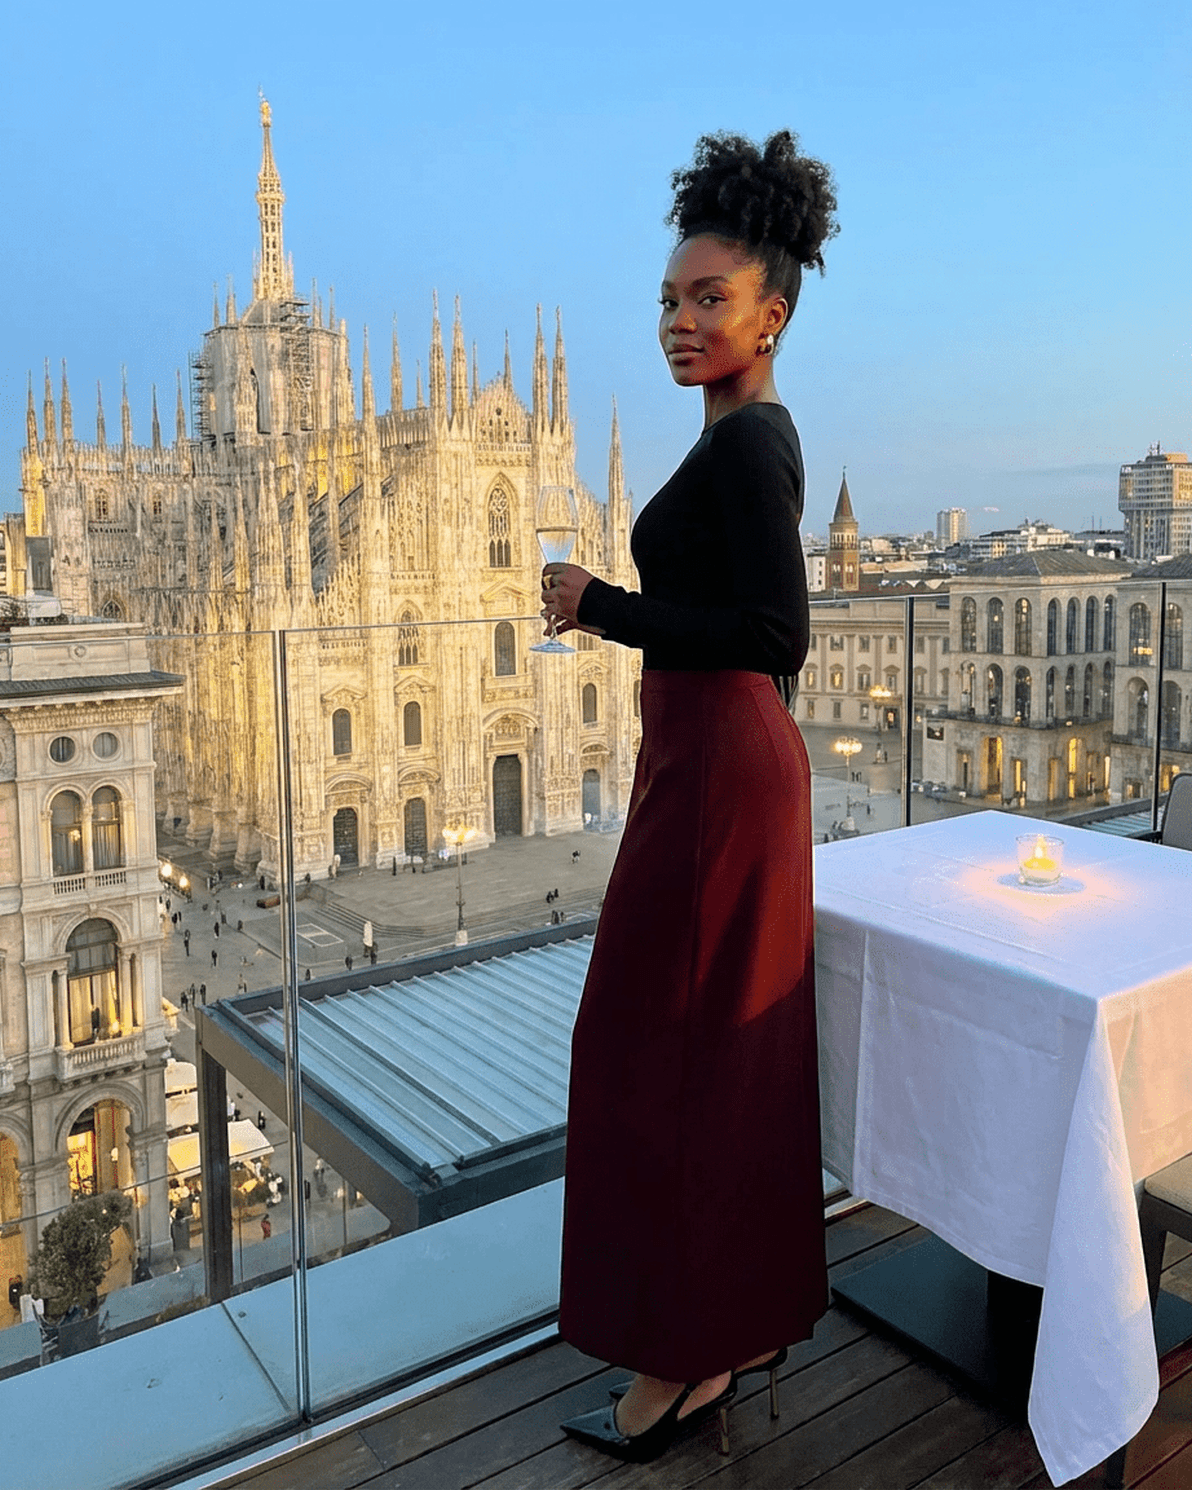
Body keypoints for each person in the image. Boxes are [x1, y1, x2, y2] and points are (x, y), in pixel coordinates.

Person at [544, 130, 837, 1464]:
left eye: (707, 299)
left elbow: (778, 630)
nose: (679, 319)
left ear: (768, 314)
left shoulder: (754, 447)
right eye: (668, 299)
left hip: (726, 766)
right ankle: (709, 1338)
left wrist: (598, 605)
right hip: (702, 760)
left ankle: (682, 1357)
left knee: (664, 1053)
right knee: (687, 1053)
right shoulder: (731, 438)